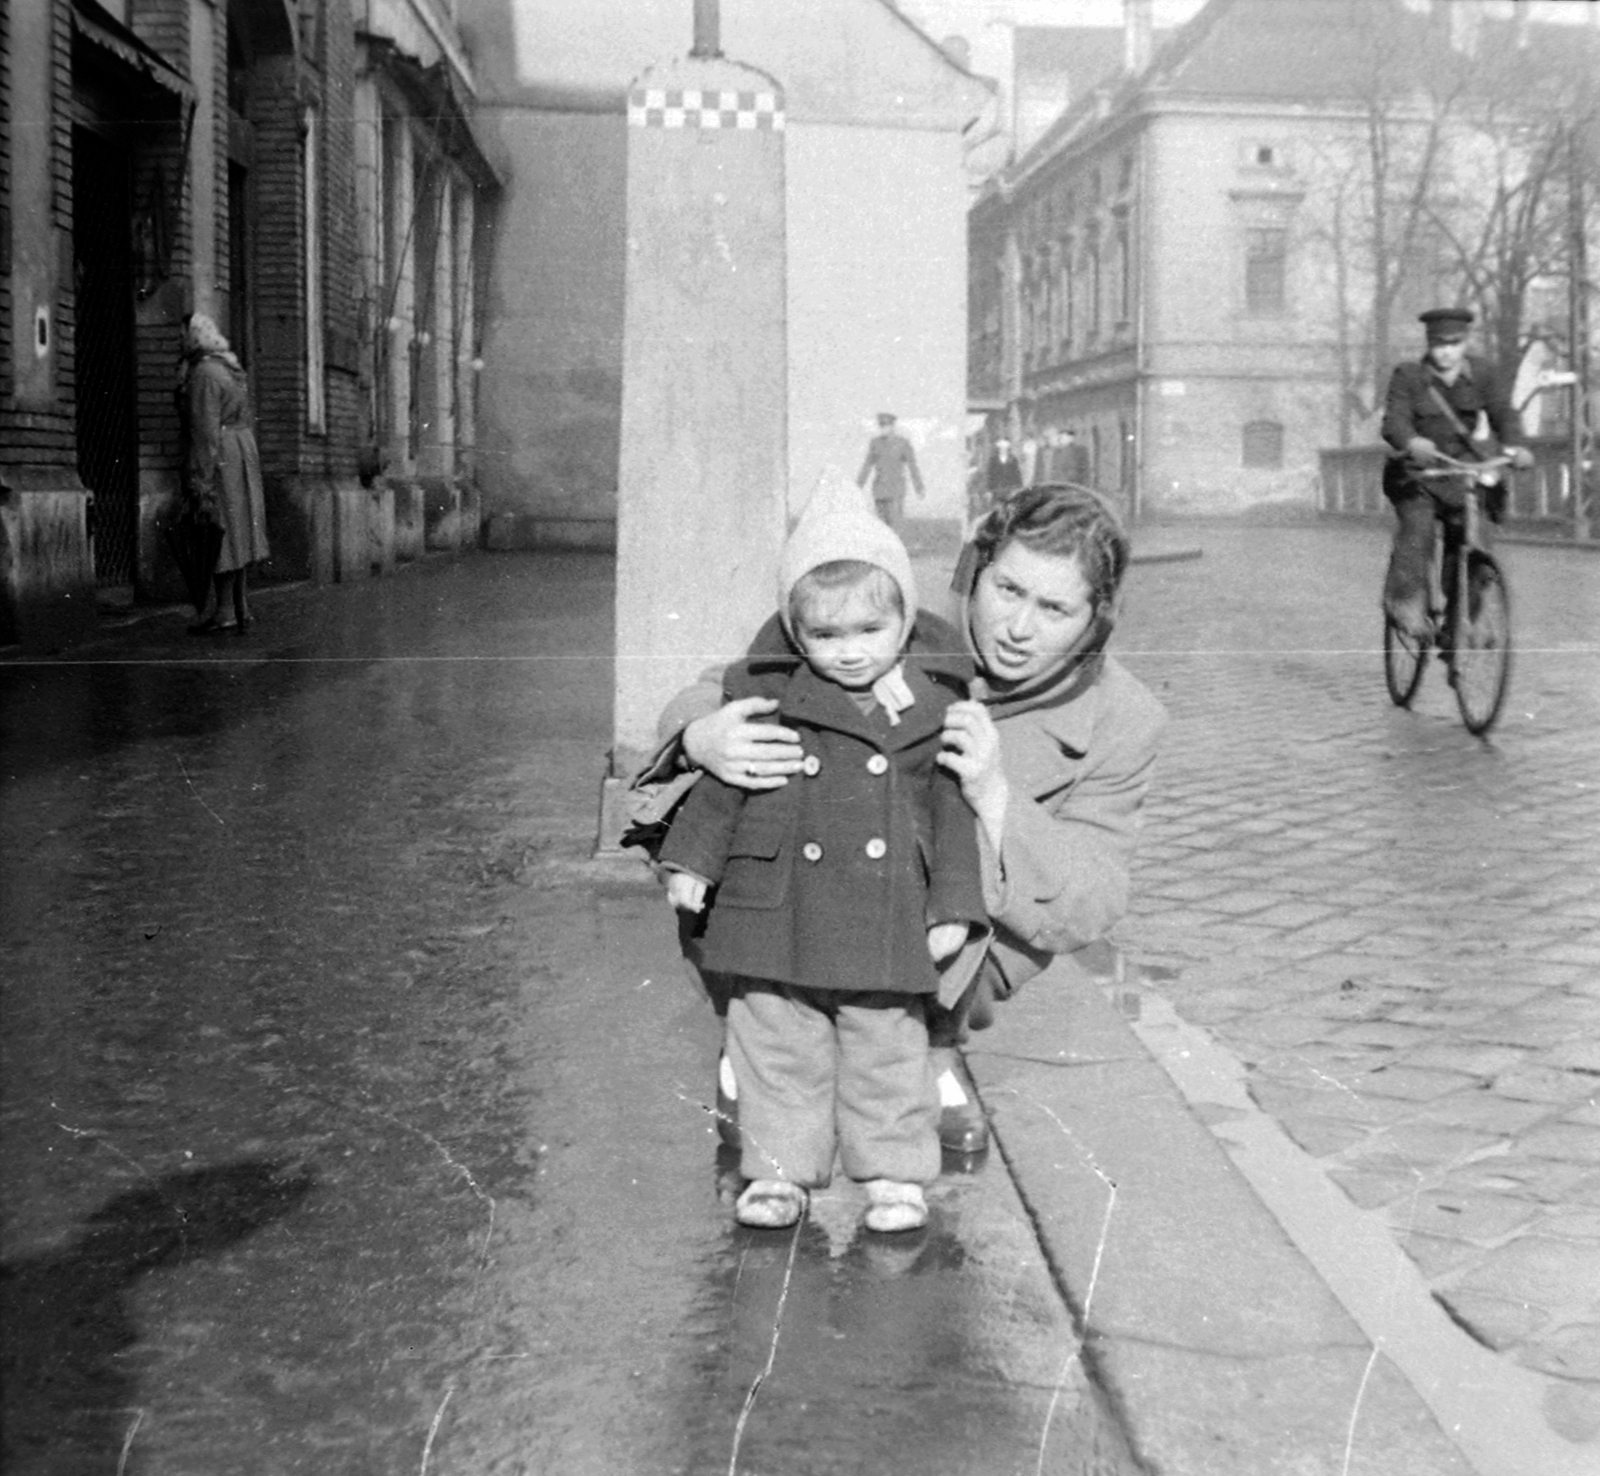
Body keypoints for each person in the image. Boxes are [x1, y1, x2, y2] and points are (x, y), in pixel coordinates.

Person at [654, 482, 1166, 1159]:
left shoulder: (1125, 719)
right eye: (1007, 591)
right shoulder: (890, 606)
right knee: (709, 800)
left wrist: (996, 797)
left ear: (1096, 620)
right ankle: (754, 1030)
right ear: (973, 573)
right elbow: (735, 675)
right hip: (799, 907)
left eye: (1054, 609)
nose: (1018, 628)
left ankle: (930, 1046)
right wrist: (699, 738)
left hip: (938, 945)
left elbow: (1093, 900)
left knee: (992, 865)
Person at [656, 479, 987, 1234]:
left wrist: (954, 906)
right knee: (776, 1040)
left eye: (871, 629)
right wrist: (693, 864)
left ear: (905, 620)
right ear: (796, 634)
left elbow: (951, 809)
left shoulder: (936, 706)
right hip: (779, 910)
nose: (850, 652)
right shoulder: (765, 698)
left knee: (888, 1045)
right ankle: (778, 1173)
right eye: (826, 636)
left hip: (885, 907)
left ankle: (895, 1173)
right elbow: (727, 785)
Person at [1379, 307, 1532, 638]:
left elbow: (1504, 414)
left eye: (1454, 343)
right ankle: (1404, 603)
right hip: (1417, 474)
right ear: (1429, 344)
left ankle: (1461, 621)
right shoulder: (1408, 376)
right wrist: (1410, 441)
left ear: (1465, 342)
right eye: (1438, 344)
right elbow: (1394, 421)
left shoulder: (1484, 374)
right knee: (1417, 531)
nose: (1446, 351)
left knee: (1477, 538)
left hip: (1463, 470)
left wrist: (1515, 446)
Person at [179, 313, 269, 634]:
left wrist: (199, 481)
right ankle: (242, 606)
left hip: (221, 455)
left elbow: (204, 432)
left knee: (219, 533)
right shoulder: (230, 367)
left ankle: (225, 611)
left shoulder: (204, 373)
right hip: (242, 451)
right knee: (239, 531)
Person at [855, 412, 925, 531]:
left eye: (886, 425)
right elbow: (867, 466)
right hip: (879, 490)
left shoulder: (903, 443)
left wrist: (919, 487)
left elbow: (913, 466)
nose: (883, 428)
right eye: (881, 425)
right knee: (882, 528)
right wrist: (857, 487)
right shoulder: (875, 443)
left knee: (895, 526)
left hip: (896, 490)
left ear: (892, 426)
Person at [985, 437, 1024, 506]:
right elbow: (990, 475)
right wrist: (989, 489)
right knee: (998, 507)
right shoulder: (993, 460)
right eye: (1001, 448)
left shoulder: (1013, 459)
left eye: (1005, 448)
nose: (1003, 450)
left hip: (1010, 487)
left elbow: (1017, 473)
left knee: (1010, 506)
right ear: (998, 449)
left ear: (1007, 449)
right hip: (997, 488)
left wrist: (1019, 487)